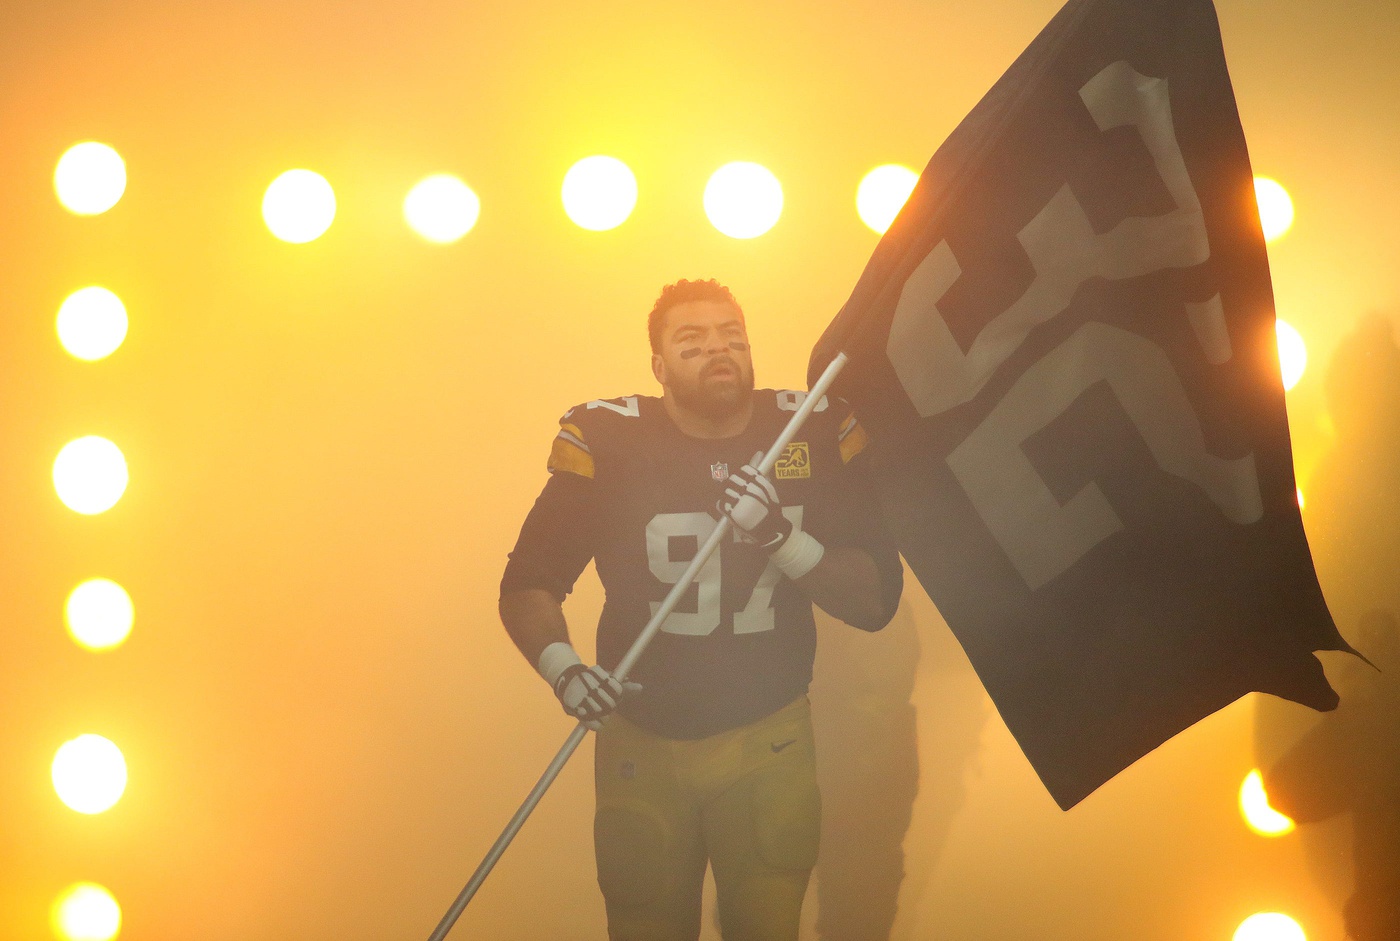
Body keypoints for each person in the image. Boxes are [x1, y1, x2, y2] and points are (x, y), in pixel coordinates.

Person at [499, 278, 903, 941]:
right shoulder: (612, 438)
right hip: (641, 737)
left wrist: (782, 537)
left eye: (732, 337)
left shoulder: (807, 428)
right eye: (692, 341)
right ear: (657, 367)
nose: (719, 350)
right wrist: (563, 667)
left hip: (768, 733)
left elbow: (875, 599)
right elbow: (527, 581)